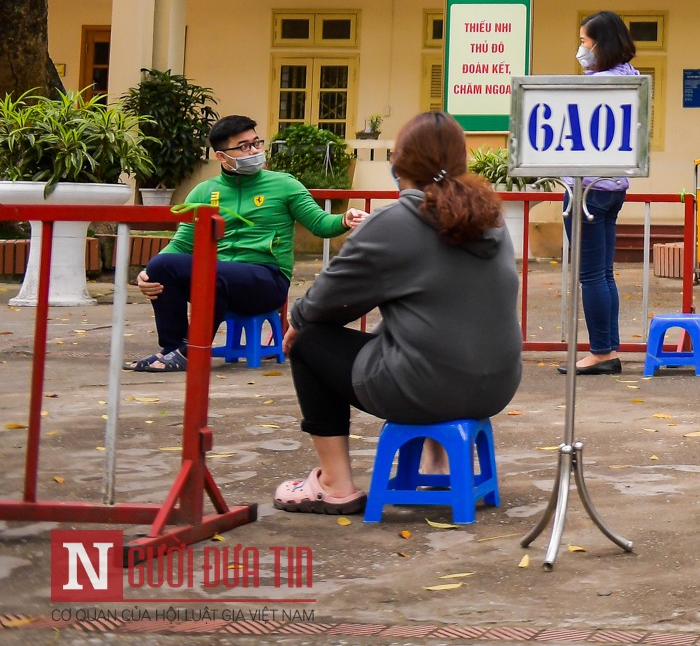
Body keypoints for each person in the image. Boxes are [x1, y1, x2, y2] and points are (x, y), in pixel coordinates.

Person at [273, 112, 524, 515]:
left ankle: (334, 483)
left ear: (399, 163)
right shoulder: (490, 218)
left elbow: (324, 302)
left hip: (427, 388)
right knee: (429, 330)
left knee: (310, 343)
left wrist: (299, 321)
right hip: (496, 384)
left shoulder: (395, 221)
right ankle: (438, 460)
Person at [123, 115, 367, 374]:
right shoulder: (204, 192)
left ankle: (191, 351)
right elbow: (182, 244)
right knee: (162, 265)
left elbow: (320, 223)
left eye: (256, 143)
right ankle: (175, 348)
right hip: (218, 278)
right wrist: (149, 273)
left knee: (211, 273)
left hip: (266, 279)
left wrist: (344, 218)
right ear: (221, 156)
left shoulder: (284, 184)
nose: (254, 151)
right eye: (244, 147)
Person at [562, 10, 642, 374]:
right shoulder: (631, 79)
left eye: (584, 42)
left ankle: (601, 352)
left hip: (587, 189)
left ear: (600, 44)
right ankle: (607, 348)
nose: (581, 50)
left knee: (591, 275)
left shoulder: (596, 85)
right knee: (604, 273)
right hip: (613, 188)